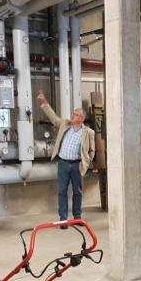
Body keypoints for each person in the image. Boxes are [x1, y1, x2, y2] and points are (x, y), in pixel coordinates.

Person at [35, 91, 95, 226]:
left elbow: (92, 150)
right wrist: (44, 103)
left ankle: (77, 217)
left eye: (76, 114)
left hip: (76, 165)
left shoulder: (88, 132)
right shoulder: (64, 124)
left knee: (77, 192)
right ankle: (63, 219)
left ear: (81, 118)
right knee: (62, 191)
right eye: (73, 113)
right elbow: (53, 118)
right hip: (63, 164)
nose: (72, 116)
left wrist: (86, 162)